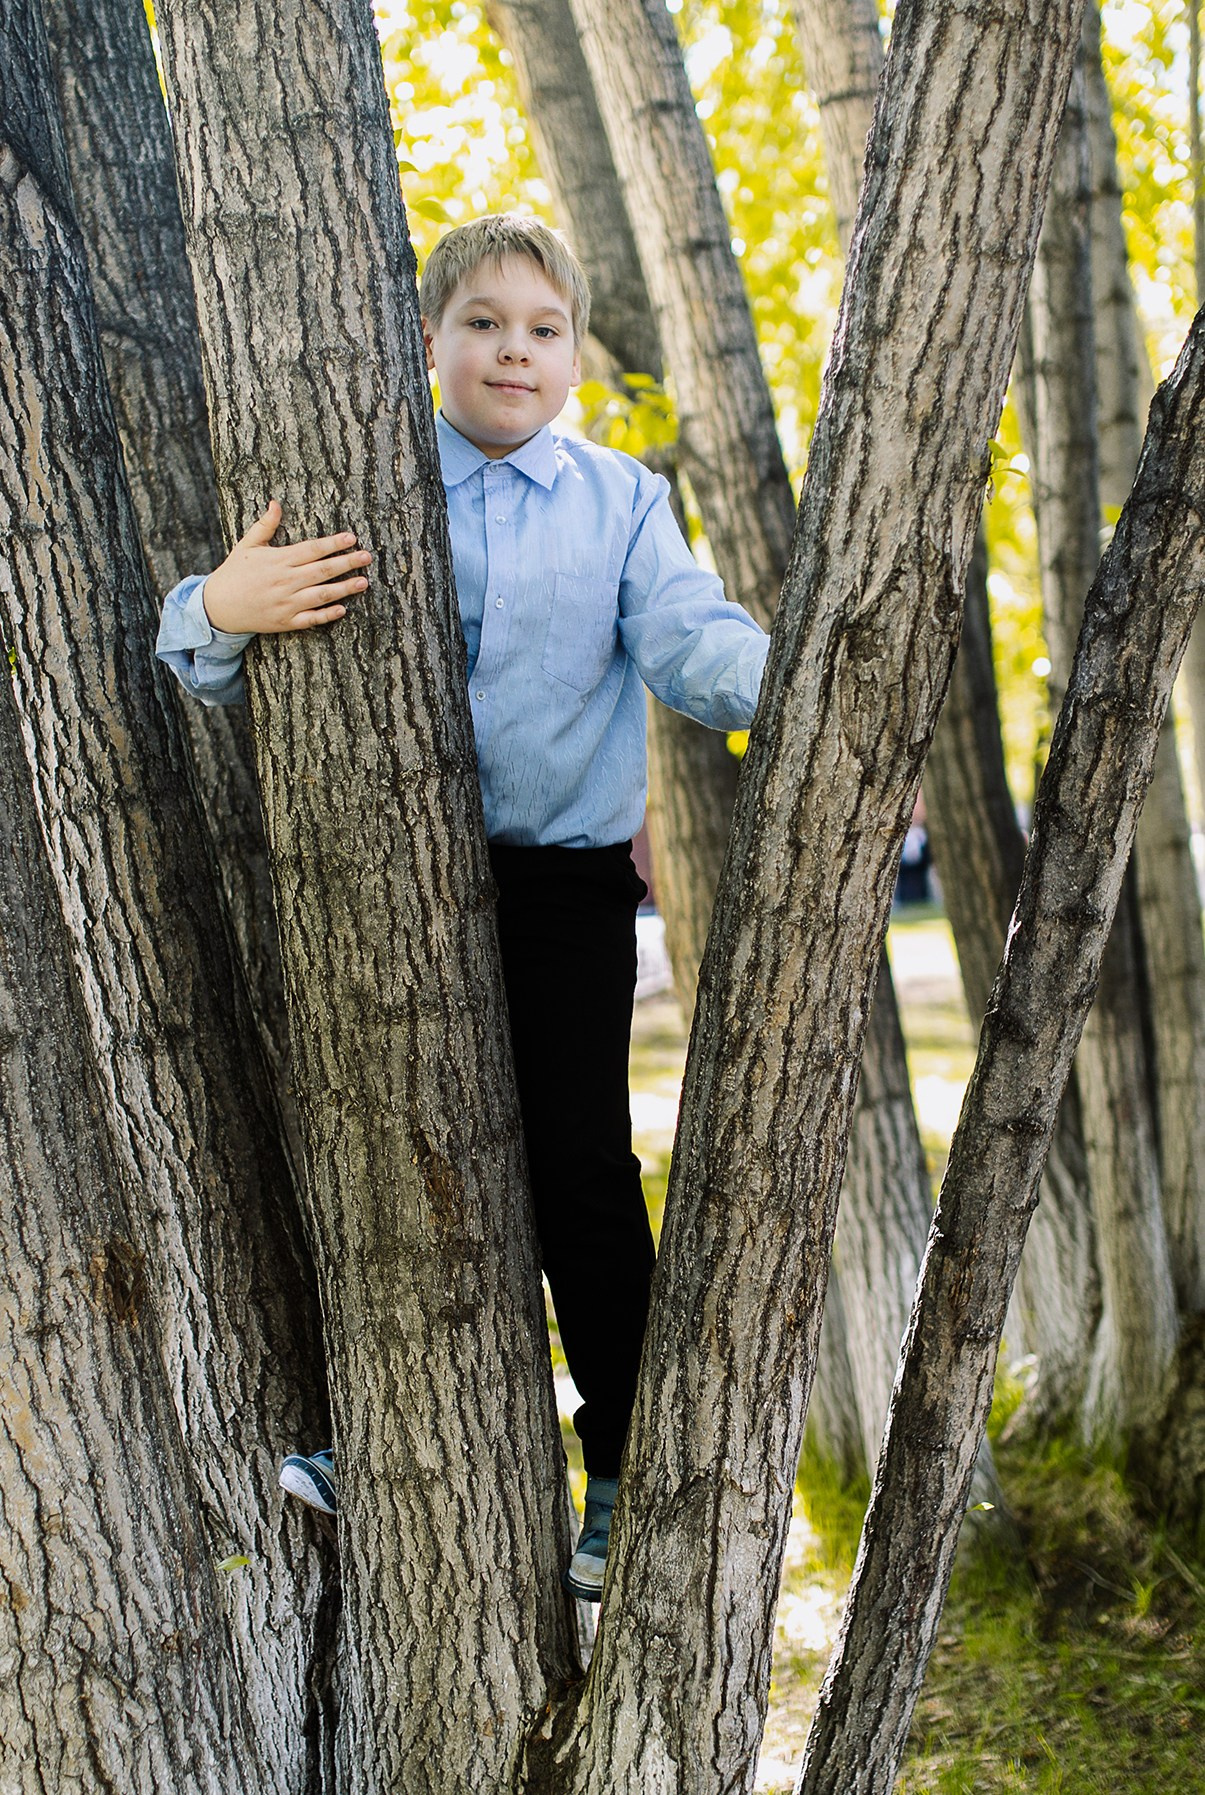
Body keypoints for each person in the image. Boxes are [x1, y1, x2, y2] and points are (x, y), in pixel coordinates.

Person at [157, 214, 769, 1600]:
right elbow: (205, 654)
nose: (513, 349)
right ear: (427, 340)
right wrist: (221, 603)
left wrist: (787, 679)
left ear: (574, 355)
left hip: (557, 887)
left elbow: (687, 639)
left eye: (543, 328)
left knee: (578, 1171)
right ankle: (362, 1435)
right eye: (483, 321)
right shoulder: (362, 481)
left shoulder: (620, 499)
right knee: (372, 1153)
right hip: (372, 875)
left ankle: (618, 1461)